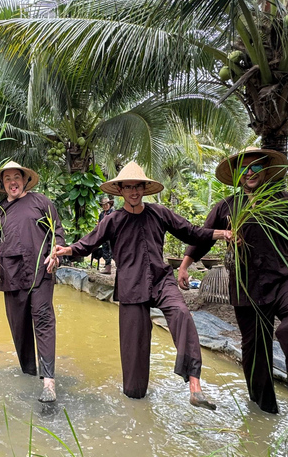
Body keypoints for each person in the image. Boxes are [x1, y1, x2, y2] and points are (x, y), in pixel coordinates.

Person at [178, 147, 288, 416]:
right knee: (255, 349)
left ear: (267, 172)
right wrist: (184, 266)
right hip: (245, 284)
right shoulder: (226, 206)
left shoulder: (285, 200)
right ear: (237, 176)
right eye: (244, 169)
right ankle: (263, 410)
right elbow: (203, 236)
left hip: (285, 277)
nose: (250, 172)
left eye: (257, 167)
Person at [52, 162, 230, 409]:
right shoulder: (113, 220)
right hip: (131, 286)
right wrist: (67, 250)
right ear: (121, 190)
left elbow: (192, 232)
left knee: (181, 313)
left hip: (161, 280)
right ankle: (135, 404)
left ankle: (194, 385)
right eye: (128, 187)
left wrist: (222, 234)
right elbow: (89, 243)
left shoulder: (159, 212)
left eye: (138, 187)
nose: (134, 192)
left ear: (145, 189)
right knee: (134, 353)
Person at [0, 161, 66, 403]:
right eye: (7, 179)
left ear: (25, 180)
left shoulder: (41, 202)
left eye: (16, 177)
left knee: (43, 320)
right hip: (10, 273)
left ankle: (49, 382)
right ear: (3, 184)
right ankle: (29, 373)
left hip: (41, 270)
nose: (12, 182)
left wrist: (54, 253)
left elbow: (57, 230)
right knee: (19, 326)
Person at [94, 196, 115, 274]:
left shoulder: (113, 213)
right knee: (105, 251)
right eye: (103, 205)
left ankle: (120, 268)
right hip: (104, 235)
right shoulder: (101, 214)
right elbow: (99, 224)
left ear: (109, 204)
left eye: (107, 204)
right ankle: (108, 268)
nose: (105, 206)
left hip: (112, 235)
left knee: (113, 251)